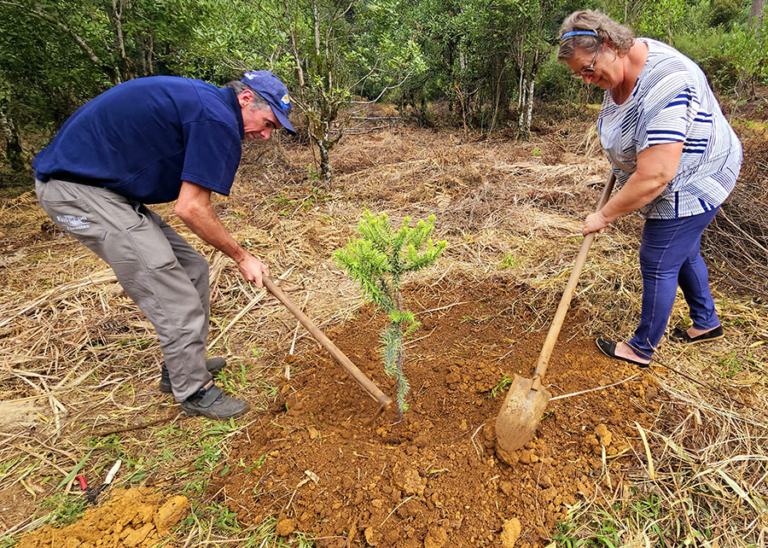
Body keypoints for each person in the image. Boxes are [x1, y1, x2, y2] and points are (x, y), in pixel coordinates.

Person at [33, 70, 296, 418]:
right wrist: (242, 256)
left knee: (192, 268)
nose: (264, 135)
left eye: (273, 129)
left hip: (107, 189)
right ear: (246, 98)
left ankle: (182, 366)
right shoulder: (216, 118)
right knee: (170, 288)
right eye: (267, 123)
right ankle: (194, 390)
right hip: (78, 191)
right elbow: (190, 208)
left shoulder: (208, 105)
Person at [557, 11, 742, 367]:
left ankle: (641, 348)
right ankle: (706, 324)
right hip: (670, 175)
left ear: (609, 45)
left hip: (697, 178)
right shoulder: (619, 68)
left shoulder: (666, 83)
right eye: (579, 73)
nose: (585, 79)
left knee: (657, 259)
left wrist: (604, 215)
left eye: (587, 69)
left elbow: (656, 176)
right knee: (682, 251)